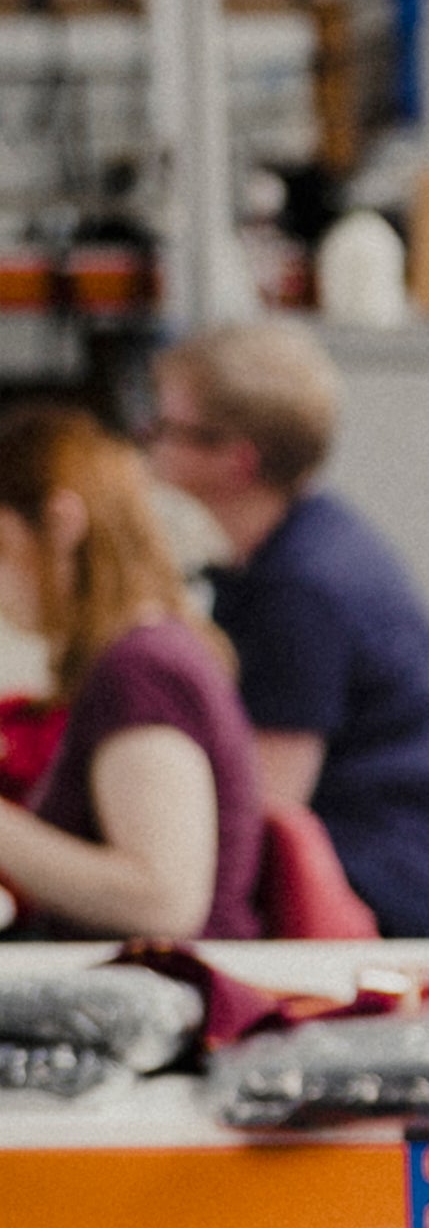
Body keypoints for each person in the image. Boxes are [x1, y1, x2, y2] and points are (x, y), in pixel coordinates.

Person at [148, 322, 429, 936]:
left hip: (369, 892)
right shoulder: (306, 535)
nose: (150, 443)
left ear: (236, 461)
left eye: (167, 429)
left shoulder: (298, 591)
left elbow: (263, 805)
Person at [0, 403, 265, 944]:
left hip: (168, 1005)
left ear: (62, 524)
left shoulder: (141, 672)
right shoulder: (150, 650)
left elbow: (163, 901)